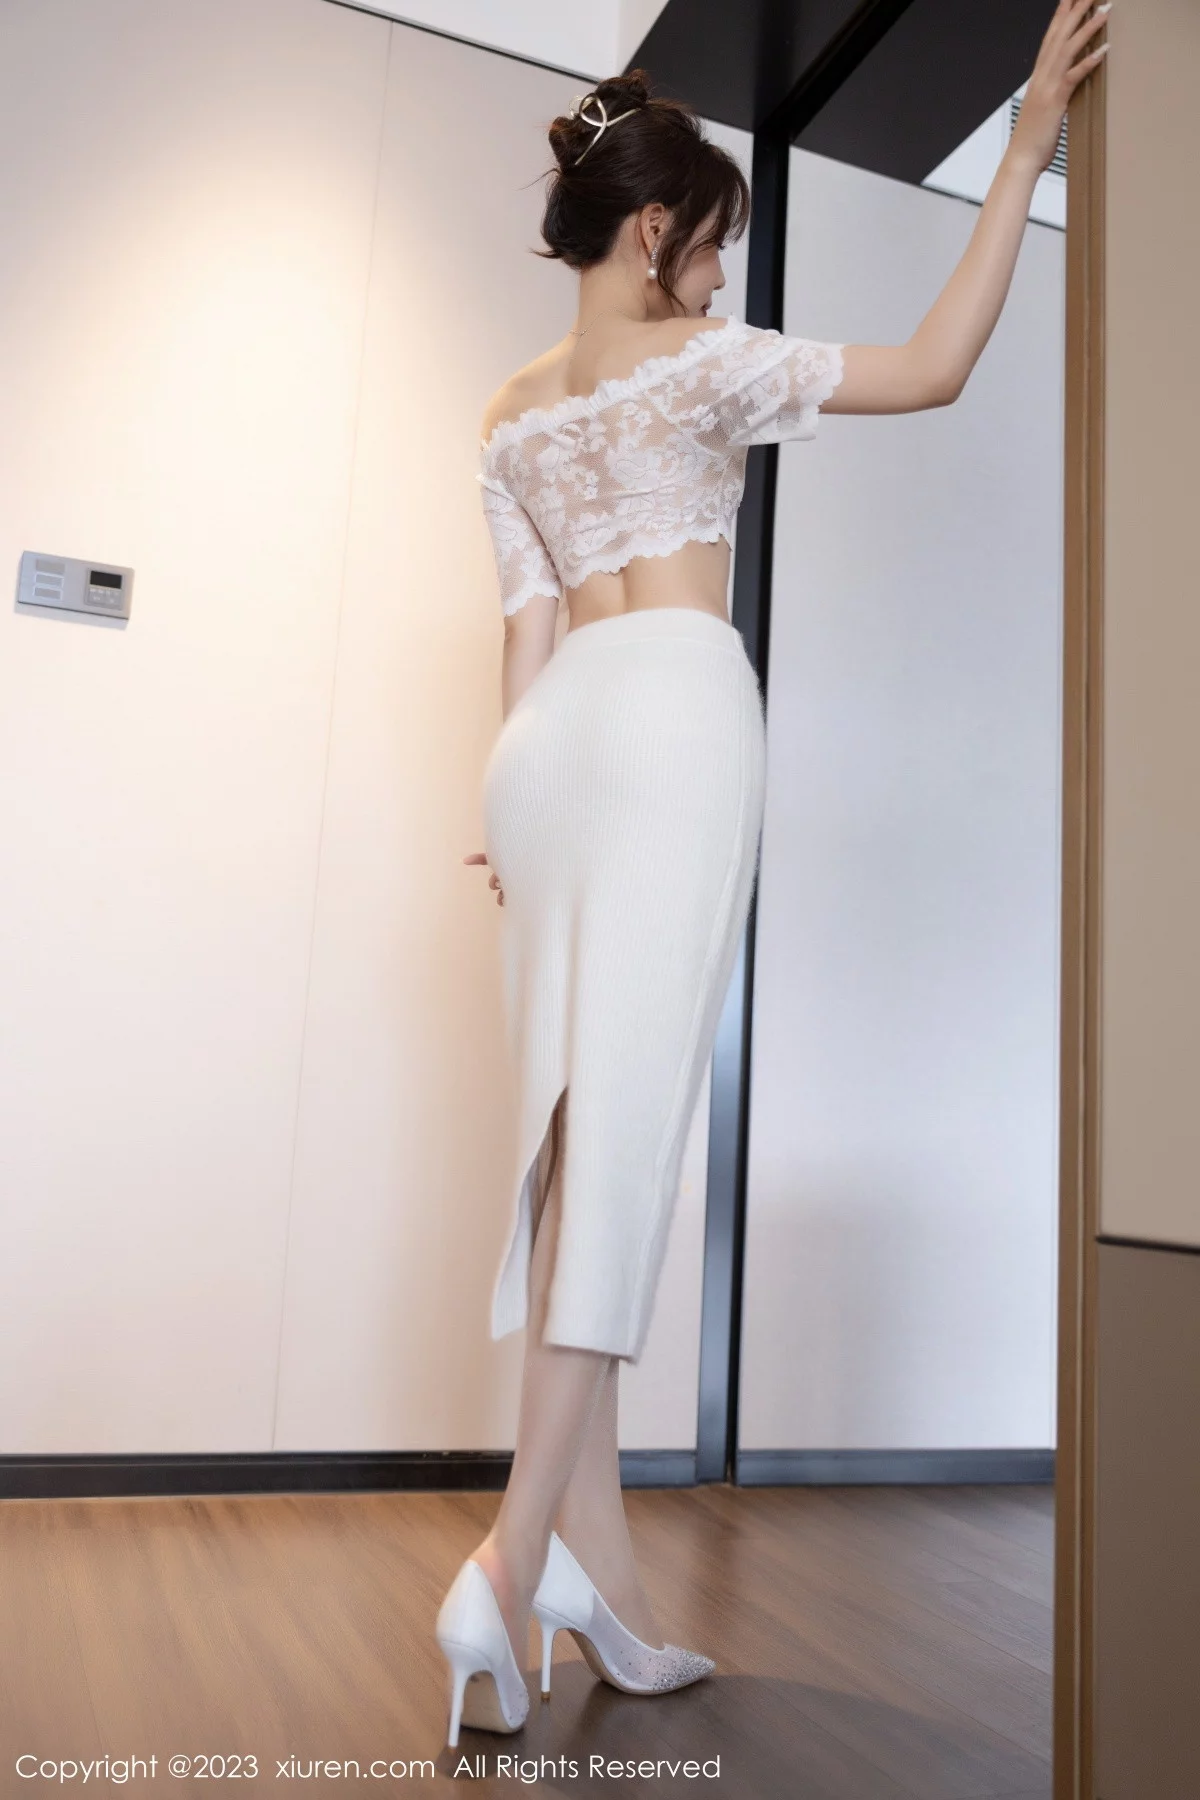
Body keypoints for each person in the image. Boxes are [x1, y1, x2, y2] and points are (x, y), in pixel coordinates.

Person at [437, 0, 1110, 1749]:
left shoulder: (510, 413)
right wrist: (1025, 151)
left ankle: (595, 1587)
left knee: (571, 1148)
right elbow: (935, 366)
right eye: (716, 244)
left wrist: (506, 805)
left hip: (543, 757)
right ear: (655, 230)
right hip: (669, 716)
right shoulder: (702, 363)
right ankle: (506, 1565)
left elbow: (520, 642)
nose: (723, 277)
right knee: (624, 1159)